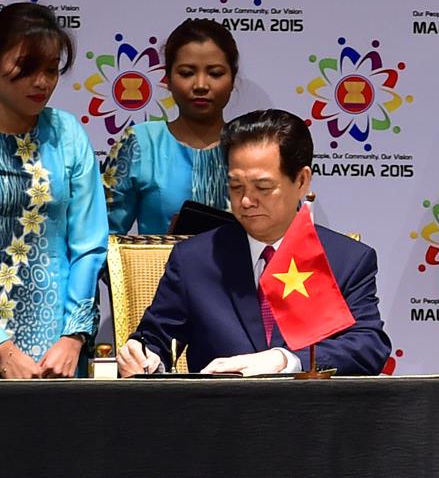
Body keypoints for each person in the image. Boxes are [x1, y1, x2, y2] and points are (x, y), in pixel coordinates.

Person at [116, 109, 391, 376]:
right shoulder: (194, 259)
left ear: (301, 180)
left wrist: (286, 359)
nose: (246, 201)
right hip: (220, 405)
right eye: (236, 187)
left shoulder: (345, 260)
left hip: (310, 407)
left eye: (263, 187)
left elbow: (368, 345)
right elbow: (155, 340)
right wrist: (143, 357)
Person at [0, 2, 108, 379]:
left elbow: (89, 244)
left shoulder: (67, 133)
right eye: (27, 68)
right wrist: (2, 348)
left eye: (50, 69)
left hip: (56, 346)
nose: (41, 82)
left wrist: (73, 337)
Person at [103, 18, 238, 234]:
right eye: (186, 73)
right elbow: (104, 235)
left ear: (232, 79)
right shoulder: (141, 143)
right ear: (168, 79)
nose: (201, 85)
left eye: (215, 73)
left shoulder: (250, 147)